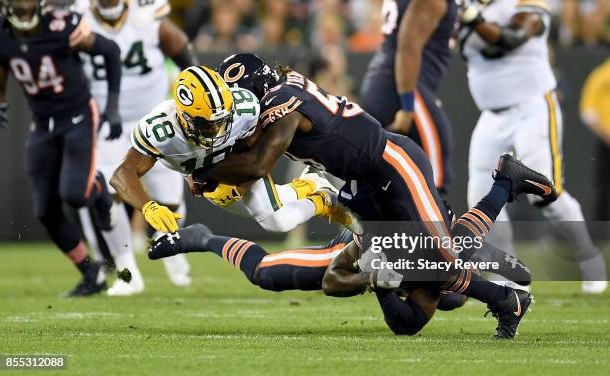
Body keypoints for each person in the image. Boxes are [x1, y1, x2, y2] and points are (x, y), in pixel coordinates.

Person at [200, 53, 558, 339]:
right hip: (365, 186)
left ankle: (507, 299)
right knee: (433, 265)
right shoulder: (280, 91)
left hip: (393, 166)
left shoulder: (283, 103)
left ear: (255, 90)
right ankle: (504, 188)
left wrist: (201, 170)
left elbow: (260, 164)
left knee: (441, 260)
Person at [110, 65, 361, 246]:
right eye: (208, 125)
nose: (217, 130)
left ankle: (321, 196)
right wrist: (148, 207)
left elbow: (258, 145)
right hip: (208, 180)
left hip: (231, 167)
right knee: (276, 218)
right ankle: (313, 186)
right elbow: (122, 173)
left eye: (222, 121)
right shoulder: (161, 129)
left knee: (278, 222)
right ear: (183, 116)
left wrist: (234, 174)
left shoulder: (243, 107)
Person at [460, 0, 607, 294]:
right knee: (479, 197)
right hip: (491, 113)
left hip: (533, 106)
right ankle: (507, 272)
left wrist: (472, 19)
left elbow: (509, 39)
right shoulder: (461, 9)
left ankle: (590, 259)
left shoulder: (523, 3)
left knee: (545, 193)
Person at [0, 0, 122, 296]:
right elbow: (2, 62)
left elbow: (110, 50)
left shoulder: (62, 25)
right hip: (41, 124)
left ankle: (100, 189)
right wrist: (0, 101)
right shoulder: (1, 32)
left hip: (77, 116)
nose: (23, 6)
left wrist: (113, 107)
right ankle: (91, 273)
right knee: (45, 211)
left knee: (75, 194)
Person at [77, 0, 199, 295]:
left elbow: (180, 46)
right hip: (107, 122)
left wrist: (196, 88)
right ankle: (126, 270)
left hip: (155, 119)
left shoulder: (147, 13)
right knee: (108, 195)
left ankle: (171, 242)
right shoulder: (77, 15)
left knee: (169, 201)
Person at [359, 0, 459, 193]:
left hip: (385, 82)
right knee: (435, 180)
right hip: (403, 87)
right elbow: (408, 46)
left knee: (390, 187)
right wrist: (407, 106)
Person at [580, 58, 610, 222]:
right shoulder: (602, 75)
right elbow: (589, 113)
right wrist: (606, 135)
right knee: (604, 189)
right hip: (605, 144)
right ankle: (601, 232)